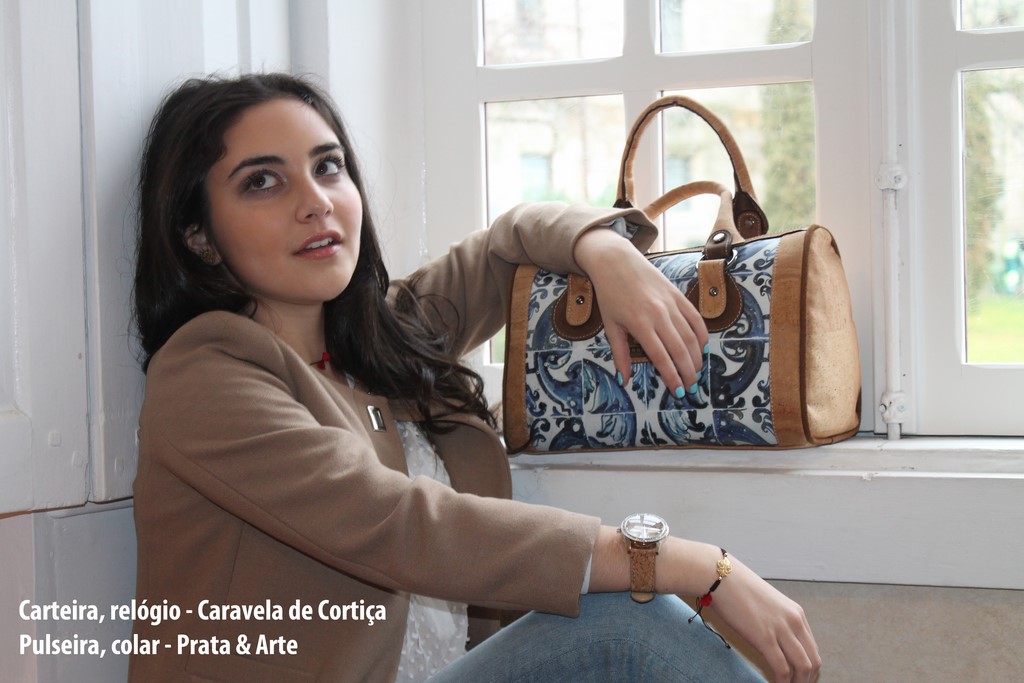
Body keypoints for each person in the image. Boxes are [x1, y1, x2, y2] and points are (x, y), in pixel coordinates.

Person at [129, 72, 820, 683]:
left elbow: (505, 245)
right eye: (263, 181)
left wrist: (604, 251)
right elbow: (398, 523)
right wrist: (687, 563)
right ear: (199, 235)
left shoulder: (381, 336)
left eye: (328, 167)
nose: (316, 202)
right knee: (631, 623)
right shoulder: (206, 374)